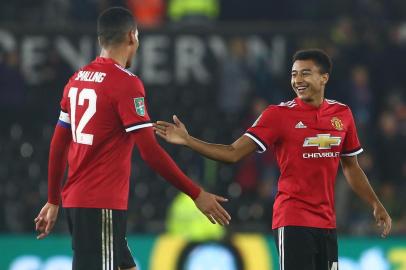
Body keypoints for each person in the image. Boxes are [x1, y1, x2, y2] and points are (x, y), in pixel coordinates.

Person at [154, 49, 392, 270]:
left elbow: (351, 166)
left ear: (324, 78)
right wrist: (188, 140)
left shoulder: (343, 115)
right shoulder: (278, 115)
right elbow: (232, 152)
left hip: (327, 223)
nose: (297, 80)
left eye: (305, 73)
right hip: (293, 220)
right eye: (294, 74)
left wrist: (375, 204)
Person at [34, 7, 230, 270]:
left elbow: (58, 143)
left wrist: (53, 198)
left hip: (81, 201)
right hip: (100, 204)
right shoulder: (126, 83)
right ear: (132, 37)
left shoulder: (77, 80)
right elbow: (150, 151)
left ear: (101, 39)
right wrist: (196, 193)